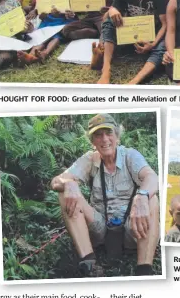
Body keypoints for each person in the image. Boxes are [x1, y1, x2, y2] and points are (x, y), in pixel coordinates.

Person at [51, 113, 160, 276]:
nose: (104, 139)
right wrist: (69, 183)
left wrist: (142, 196)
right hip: (100, 226)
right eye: (98, 135)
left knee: (152, 199)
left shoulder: (130, 155)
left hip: (132, 226)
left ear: (117, 136)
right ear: (92, 141)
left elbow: (152, 177)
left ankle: (144, 268)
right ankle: (89, 263)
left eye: (108, 133)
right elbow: (55, 182)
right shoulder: (89, 159)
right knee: (63, 192)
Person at [97, 0, 167, 85]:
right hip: (130, 35)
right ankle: (106, 70)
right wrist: (113, 10)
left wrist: (153, 43)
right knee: (108, 22)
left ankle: (135, 81)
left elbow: (165, 24)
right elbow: (110, 11)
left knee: (163, 45)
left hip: (150, 37)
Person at [17, 0, 77, 66]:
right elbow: (40, 4)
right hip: (48, 17)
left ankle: (45, 53)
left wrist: (70, 13)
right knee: (42, 34)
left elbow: (74, 8)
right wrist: (37, 11)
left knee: (56, 35)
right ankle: (30, 55)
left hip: (64, 18)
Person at [0, 0, 34, 70]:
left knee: (5, 56)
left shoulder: (13, 1)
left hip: (13, 39)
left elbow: (21, 22)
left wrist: (27, 28)